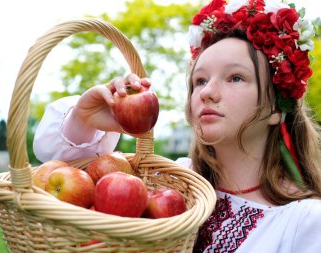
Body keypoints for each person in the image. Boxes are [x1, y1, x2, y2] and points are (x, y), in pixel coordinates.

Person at [33, 0, 321, 251]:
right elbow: (64, 184)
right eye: (200, 81)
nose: (207, 92)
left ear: (275, 107)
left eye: (235, 77)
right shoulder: (169, 181)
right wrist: (85, 120)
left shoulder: (303, 223)